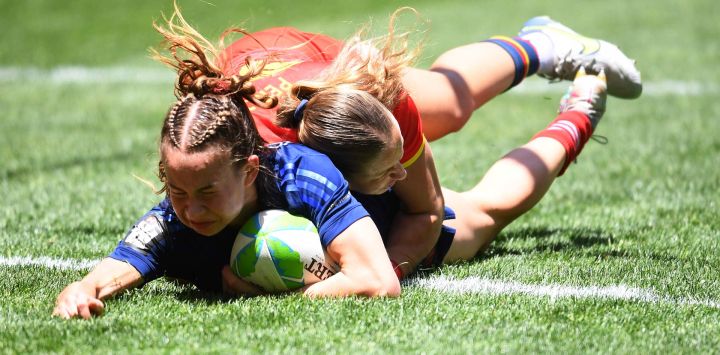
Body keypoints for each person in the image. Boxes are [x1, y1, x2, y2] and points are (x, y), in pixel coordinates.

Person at [213, 8, 640, 277]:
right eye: (387, 172)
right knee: (478, 220)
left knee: (450, 108)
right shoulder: (239, 152)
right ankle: (581, 109)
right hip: (265, 69)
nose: (401, 174)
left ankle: (543, 45)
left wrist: (383, 269)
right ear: (334, 175)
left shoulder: (388, 105)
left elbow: (427, 211)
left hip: (319, 71)